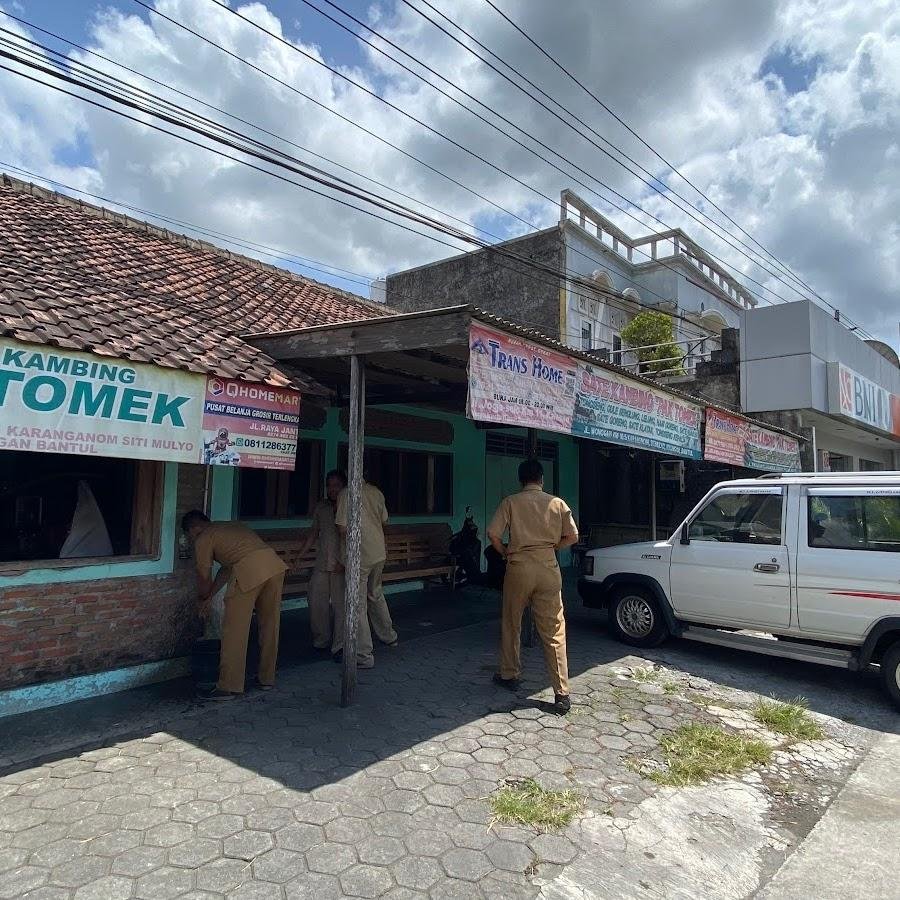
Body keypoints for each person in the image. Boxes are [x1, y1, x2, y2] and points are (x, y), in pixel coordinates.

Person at [487, 459, 579, 714]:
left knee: (511, 622)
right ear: (541, 479)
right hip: (548, 567)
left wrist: (505, 551)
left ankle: (509, 674)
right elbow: (573, 536)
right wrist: (552, 548)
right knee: (554, 631)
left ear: (521, 480)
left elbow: (493, 534)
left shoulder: (511, 502)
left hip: (518, 567)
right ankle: (562, 695)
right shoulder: (557, 503)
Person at [182, 511, 287, 700]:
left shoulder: (203, 538)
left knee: (234, 629)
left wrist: (201, 598)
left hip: (248, 569)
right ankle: (267, 678)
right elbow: (226, 569)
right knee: (270, 625)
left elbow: (203, 575)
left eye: (189, 535)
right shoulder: (229, 527)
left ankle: (228, 686)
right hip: (273, 566)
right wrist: (210, 597)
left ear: (193, 529)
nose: (190, 539)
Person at [333, 475, 398, 668]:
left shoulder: (346, 493)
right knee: (376, 594)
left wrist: (343, 554)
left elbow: (342, 528)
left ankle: (363, 654)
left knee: (358, 603)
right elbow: (385, 520)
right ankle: (389, 637)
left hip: (359, 553)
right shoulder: (376, 492)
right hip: (378, 552)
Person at [300, 470, 347, 650]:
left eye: (336, 485)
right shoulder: (322, 507)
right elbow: (313, 533)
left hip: (340, 564)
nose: (332, 489)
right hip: (322, 563)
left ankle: (340, 645)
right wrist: (299, 556)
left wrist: (345, 562)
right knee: (315, 601)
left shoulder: (348, 506)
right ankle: (322, 639)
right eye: (329, 485)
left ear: (344, 487)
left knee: (340, 606)